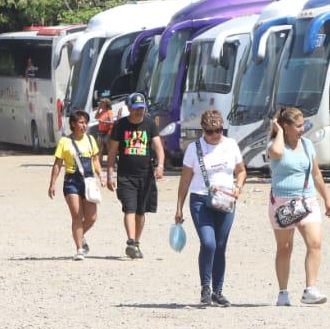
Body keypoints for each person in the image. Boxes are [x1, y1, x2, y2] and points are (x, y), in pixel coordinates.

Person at [174, 110, 246, 306]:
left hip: (226, 200)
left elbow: (241, 171)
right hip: (201, 200)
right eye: (211, 131)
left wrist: (238, 187)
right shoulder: (193, 149)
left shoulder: (230, 145)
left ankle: (218, 291)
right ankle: (205, 288)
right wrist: (179, 208)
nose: (215, 135)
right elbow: (185, 180)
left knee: (221, 246)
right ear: (203, 131)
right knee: (209, 243)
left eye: (219, 130)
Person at [266, 107, 330, 306]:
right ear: (285, 126)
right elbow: (277, 153)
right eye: (297, 126)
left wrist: (327, 199)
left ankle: (310, 289)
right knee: (285, 248)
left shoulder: (307, 145)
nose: (302, 129)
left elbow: (316, 174)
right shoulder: (273, 145)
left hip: (307, 200)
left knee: (315, 243)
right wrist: (277, 132)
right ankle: (283, 292)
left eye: (302, 124)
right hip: (282, 204)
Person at [106, 92, 164, 259]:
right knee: (129, 208)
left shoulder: (150, 124)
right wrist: (110, 175)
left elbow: (158, 148)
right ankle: (131, 241)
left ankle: (136, 243)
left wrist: (160, 166)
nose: (139, 112)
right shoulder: (120, 125)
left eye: (141, 109)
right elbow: (112, 153)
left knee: (141, 211)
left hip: (146, 176)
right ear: (129, 108)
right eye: (136, 109)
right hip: (126, 176)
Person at [49, 110, 106, 260]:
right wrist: (52, 183)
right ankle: (79, 248)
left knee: (92, 217)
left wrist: (102, 175)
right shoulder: (64, 142)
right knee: (77, 215)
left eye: (85, 122)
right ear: (73, 124)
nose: (84, 125)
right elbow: (57, 164)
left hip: (88, 180)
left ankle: (80, 235)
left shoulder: (90, 140)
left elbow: (95, 160)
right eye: (81, 122)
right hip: (71, 181)